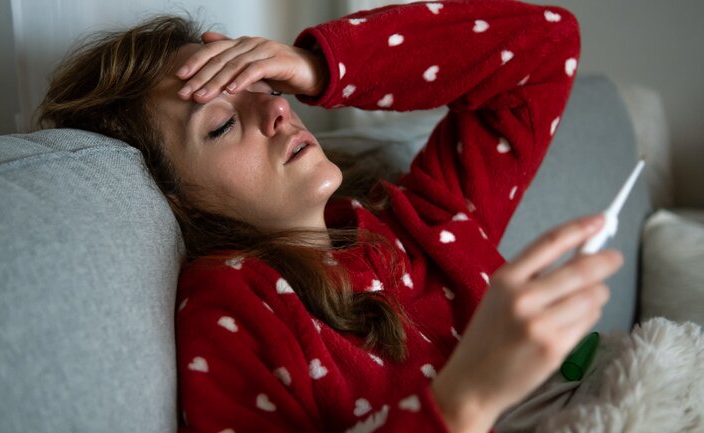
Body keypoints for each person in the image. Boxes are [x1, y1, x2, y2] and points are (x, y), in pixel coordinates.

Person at [38, 1, 624, 431]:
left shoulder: (427, 218)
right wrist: (462, 402)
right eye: (219, 125)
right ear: (178, 198)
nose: (274, 106)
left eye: (261, 85)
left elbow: (546, 45)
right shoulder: (235, 304)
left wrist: (323, 67)